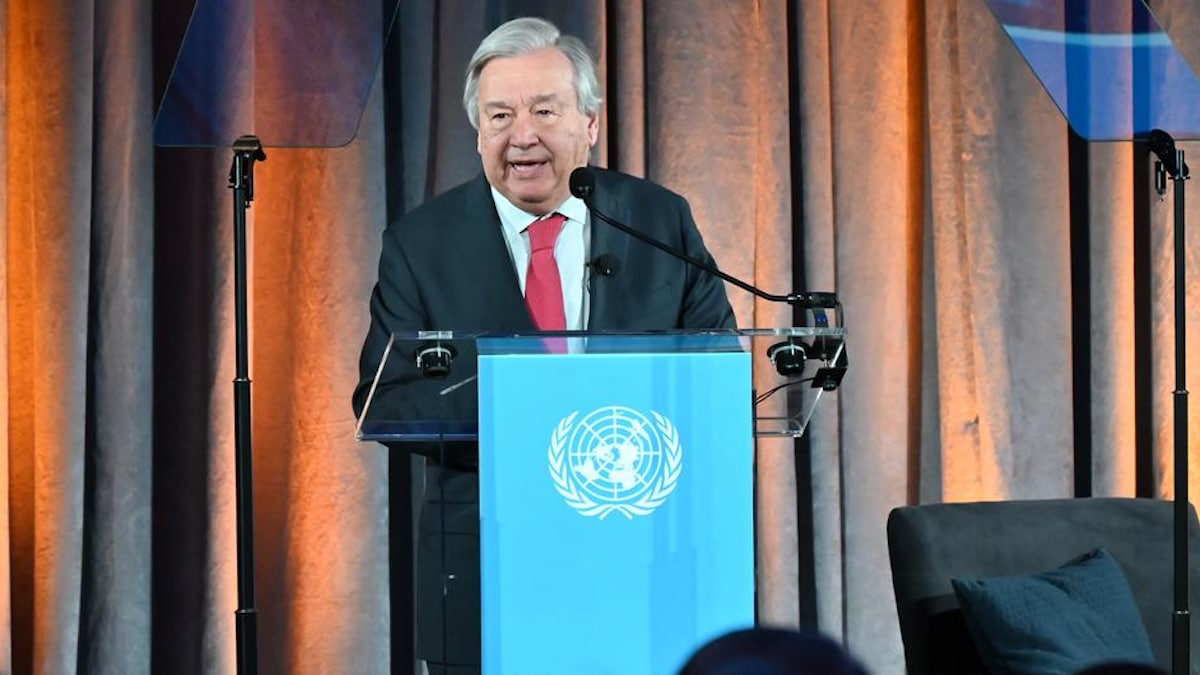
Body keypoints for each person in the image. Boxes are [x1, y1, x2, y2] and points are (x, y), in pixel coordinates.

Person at [353, 16, 735, 674]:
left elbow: (717, 368)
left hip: (642, 551)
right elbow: (383, 401)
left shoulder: (657, 219)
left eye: (544, 110)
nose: (521, 135)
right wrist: (524, 406)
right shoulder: (422, 244)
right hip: (488, 565)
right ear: (478, 133)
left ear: (588, 122)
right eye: (499, 115)